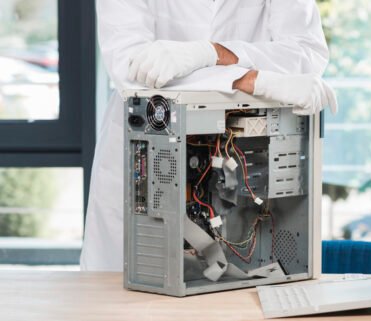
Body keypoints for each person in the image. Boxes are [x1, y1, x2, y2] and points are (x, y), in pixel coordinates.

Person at [81, 0, 336, 271]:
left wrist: (211, 53)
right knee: (126, 288)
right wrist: (248, 80)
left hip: (239, 160)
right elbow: (133, 68)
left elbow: (307, 54)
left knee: (241, 283)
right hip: (147, 148)